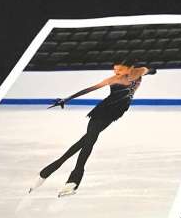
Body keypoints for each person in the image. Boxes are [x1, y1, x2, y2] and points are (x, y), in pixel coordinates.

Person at [28, 60, 156, 197]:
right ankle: (72, 180)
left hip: (116, 112)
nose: (116, 73)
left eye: (119, 70)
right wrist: (66, 99)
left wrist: (151, 71)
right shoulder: (113, 79)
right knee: (89, 142)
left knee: (84, 141)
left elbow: (151, 70)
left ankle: (46, 172)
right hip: (102, 111)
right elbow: (88, 89)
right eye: (115, 70)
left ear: (130, 68)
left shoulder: (139, 71)